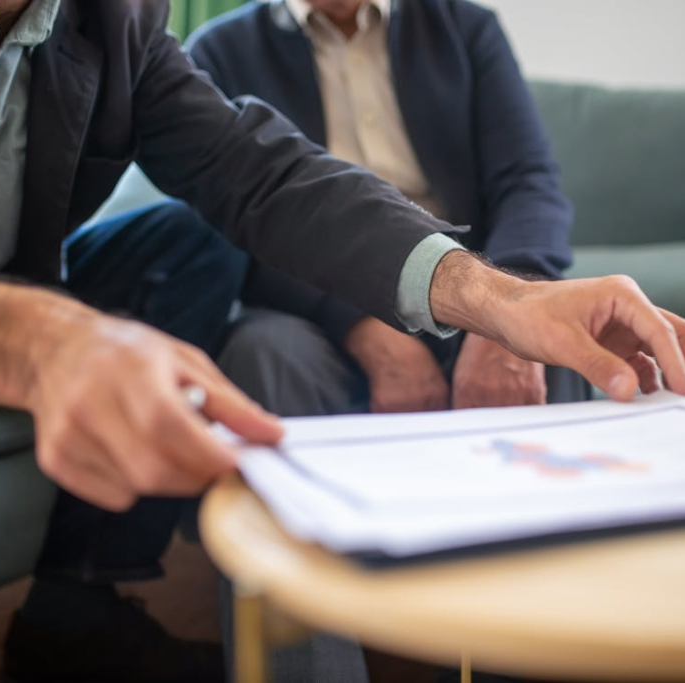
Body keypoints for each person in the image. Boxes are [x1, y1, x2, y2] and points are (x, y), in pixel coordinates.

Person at [0, 1, 685, 682]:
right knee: (262, 350)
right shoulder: (227, 36)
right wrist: (27, 337)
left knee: (194, 240)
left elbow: (260, 174)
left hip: (424, 276)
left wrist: (503, 299)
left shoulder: (120, 21)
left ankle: (76, 608)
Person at [188, 0, 591, 418]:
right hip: (317, 310)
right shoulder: (220, 51)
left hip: (473, 285)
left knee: (551, 344)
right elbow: (235, 219)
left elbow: (528, 183)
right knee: (264, 352)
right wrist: (361, 327)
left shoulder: (466, 27)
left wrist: (507, 309)